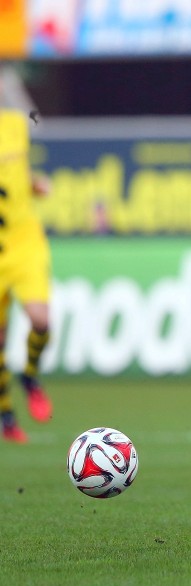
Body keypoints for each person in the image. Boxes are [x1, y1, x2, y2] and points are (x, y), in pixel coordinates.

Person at [0, 75, 54, 443]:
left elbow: (17, 172)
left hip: (24, 241)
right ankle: (7, 416)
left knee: (40, 319)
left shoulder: (15, 125)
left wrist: (34, 183)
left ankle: (30, 375)